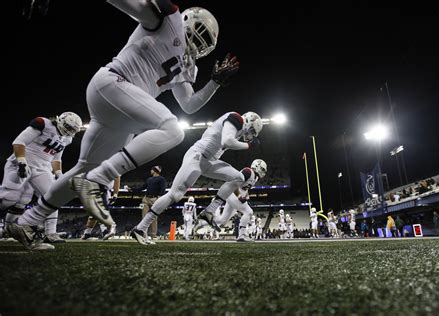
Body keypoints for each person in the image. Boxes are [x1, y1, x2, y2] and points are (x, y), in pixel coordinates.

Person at [8, 1, 239, 250]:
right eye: (200, 32)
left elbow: (190, 105)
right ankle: (102, 177)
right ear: (186, 19)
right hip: (113, 83)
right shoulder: (166, 21)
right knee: (173, 129)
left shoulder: (189, 66)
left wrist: (214, 83)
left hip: (122, 110)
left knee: (82, 171)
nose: (199, 42)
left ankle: (28, 222)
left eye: (206, 41)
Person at [131, 112, 263, 244]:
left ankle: (209, 211)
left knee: (238, 177)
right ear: (248, 121)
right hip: (197, 156)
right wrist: (249, 146)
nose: (250, 135)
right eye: (251, 130)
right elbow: (227, 141)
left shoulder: (238, 130)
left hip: (209, 161)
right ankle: (140, 228)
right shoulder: (236, 118)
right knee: (174, 195)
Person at [1, 112, 82, 248]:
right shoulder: (43, 124)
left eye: (73, 130)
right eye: (68, 127)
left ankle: (50, 233)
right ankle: (7, 230)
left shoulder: (67, 139)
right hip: (22, 163)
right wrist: (21, 161)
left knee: (53, 196)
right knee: (9, 199)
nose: (70, 131)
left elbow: (56, 158)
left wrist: (59, 174)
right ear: (60, 120)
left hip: (42, 169)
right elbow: (19, 142)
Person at [193, 159, 267, 242]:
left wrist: (246, 196)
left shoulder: (255, 177)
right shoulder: (247, 172)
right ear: (257, 166)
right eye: (263, 169)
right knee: (248, 212)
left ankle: (201, 223)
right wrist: (239, 196)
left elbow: (244, 188)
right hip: (232, 193)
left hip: (233, 196)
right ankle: (241, 235)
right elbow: (234, 183)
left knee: (222, 220)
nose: (263, 172)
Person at [133, 165, 166, 240]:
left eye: (152, 169)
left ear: (155, 170)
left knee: (153, 218)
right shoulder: (149, 179)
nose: (150, 171)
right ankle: (144, 234)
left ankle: (153, 235)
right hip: (146, 198)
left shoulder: (161, 179)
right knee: (144, 217)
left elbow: (162, 189)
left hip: (155, 199)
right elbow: (142, 188)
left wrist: (159, 198)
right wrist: (132, 189)